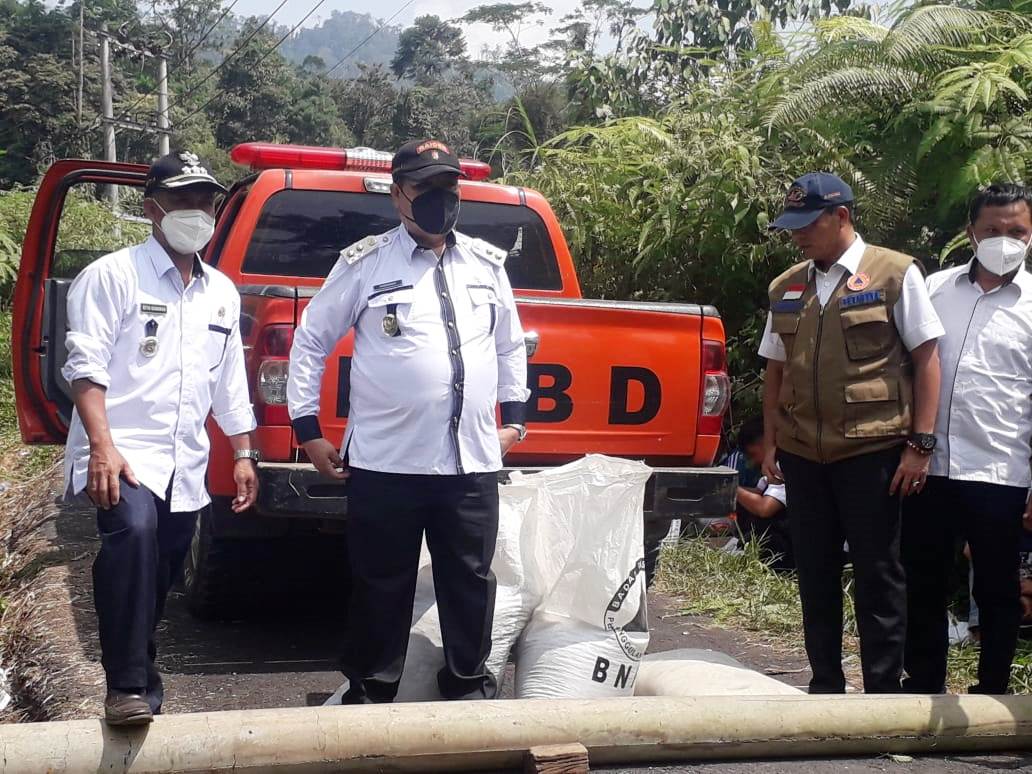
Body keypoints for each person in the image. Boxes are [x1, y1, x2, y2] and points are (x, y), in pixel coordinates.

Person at [287, 139, 530, 704]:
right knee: (382, 582)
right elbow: (311, 339)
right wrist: (308, 429)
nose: (440, 199)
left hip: (469, 459)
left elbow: (511, 345)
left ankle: (468, 683)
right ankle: (372, 689)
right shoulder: (367, 262)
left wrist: (514, 421)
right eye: (425, 189)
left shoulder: (486, 264)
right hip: (385, 460)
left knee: (469, 579)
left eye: (448, 187)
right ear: (399, 195)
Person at [62, 151, 259, 725]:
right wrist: (102, 445)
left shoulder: (221, 292)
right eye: (182, 199)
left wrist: (244, 454)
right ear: (152, 208)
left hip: (185, 461)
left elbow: (229, 383)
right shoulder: (113, 276)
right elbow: (85, 368)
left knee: (163, 569)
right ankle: (124, 686)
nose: (197, 210)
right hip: (123, 451)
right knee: (133, 535)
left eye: (205, 199)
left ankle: (139, 665)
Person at [759, 172, 944, 694]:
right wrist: (772, 440)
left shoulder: (894, 272)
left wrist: (920, 444)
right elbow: (776, 367)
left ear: (841, 216)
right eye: (790, 226)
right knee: (814, 574)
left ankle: (882, 692)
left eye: (807, 224)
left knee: (877, 574)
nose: (797, 235)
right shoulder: (786, 285)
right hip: (802, 452)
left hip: (873, 451)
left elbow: (926, 359)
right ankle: (825, 686)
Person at [902, 183, 1032, 695]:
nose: (1005, 240)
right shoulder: (933, 290)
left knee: (998, 587)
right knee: (923, 579)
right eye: (993, 230)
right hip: (926, 466)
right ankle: (924, 682)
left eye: (1017, 231)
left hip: (1000, 469)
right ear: (970, 233)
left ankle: (993, 688)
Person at [731, 417, 793, 570]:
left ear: (766, 443)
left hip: (786, 546)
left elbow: (765, 508)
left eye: (753, 454)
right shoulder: (770, 471)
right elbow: (758, 492)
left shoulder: (783, 467)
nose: (753, 462)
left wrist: (731, 487)